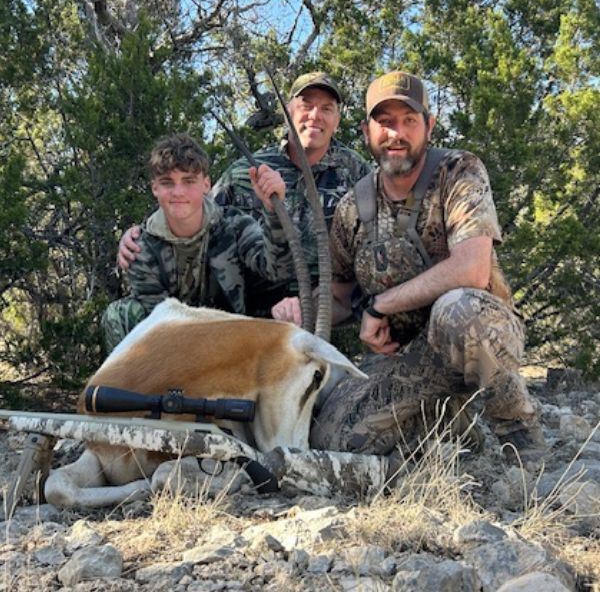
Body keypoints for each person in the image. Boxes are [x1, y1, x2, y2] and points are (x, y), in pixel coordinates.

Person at [276, 71, 545, 458]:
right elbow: (338, 297)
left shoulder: (459, 171)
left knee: (459, 310)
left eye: (408, 121)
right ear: (367, 131)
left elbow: (472, 269)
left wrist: (380, 306)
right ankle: (448, 423)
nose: (396, 134)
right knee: (331, 439)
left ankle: (519, 437)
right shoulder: (354, 207)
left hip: (476, 335)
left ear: (429, 126)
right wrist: (298, 312)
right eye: (385, 122)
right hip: (407, 361)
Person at [117, 72, 371, 317]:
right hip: (259, 303)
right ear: (288, 112)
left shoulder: (356, 171)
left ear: (337, 119)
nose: (315, 116)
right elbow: (195, 209)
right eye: (306, 106)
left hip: (327, 301)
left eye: (326, 108)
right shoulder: (245, 172)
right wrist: (144, 233)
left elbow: (383, 223)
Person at [101, 133, 289, 353]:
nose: (178, 192)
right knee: (120, 314)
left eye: (189, 181)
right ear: (155, 188)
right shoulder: (140, 248)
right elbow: (161, 323)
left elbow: (276, 270)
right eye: (167, 182)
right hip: (177, 346)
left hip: (236, 336)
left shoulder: (235, 225)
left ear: (206, 184)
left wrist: (274, 212)